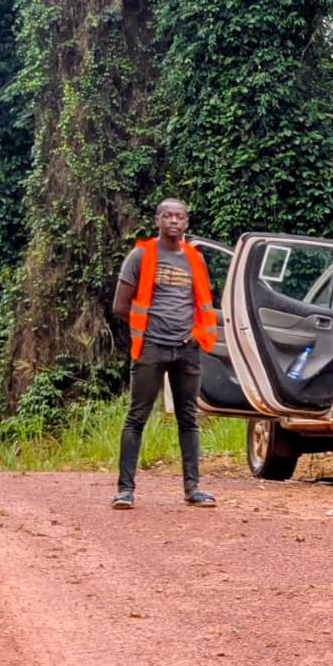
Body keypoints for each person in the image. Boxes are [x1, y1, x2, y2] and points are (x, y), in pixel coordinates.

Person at [109, 198, 219, 510]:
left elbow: (202, 304)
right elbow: (120, 306)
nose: (174, 221)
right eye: (167, 215)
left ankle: (193, 488)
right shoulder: (141, 255)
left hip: (187, 349)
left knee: (188, 418)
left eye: (179, 216)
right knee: (137, 417)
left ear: (186, 222)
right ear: (157, 220)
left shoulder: (195, 259)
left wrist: (195, 336)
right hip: (151, 348)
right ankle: (125, 491)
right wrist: (151, 331)